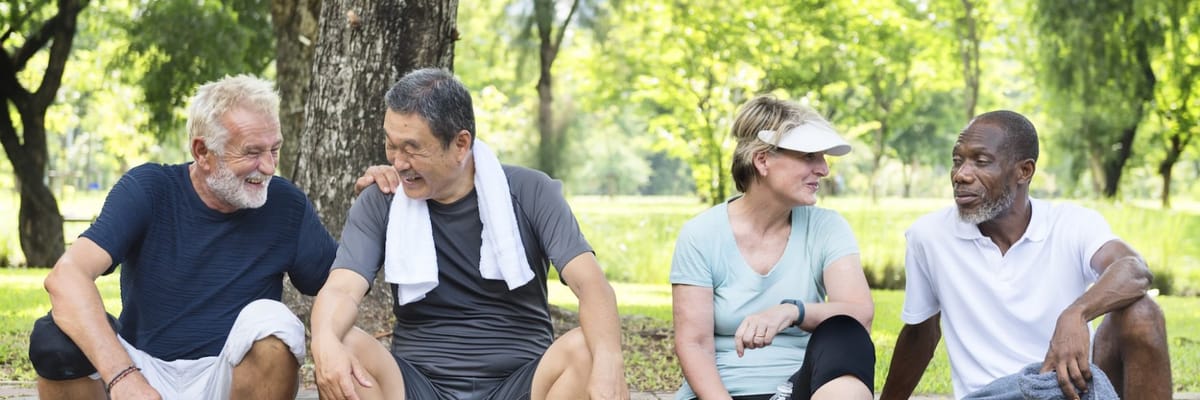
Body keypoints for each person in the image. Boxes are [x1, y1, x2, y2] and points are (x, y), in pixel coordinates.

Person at [309, 68, 628, 400]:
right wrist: (324, 342)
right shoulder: (382, 201)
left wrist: (609, 363)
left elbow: (591, 285)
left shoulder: (531, 192)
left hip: (521, 384)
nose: (399, 162)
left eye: (412, 148)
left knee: (588, 350)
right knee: (340, 341)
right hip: (416, 386)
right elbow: (342, 290)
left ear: (461, 144)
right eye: (391, 146)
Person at [27, 75, 338, 400]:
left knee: (276, 323)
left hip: (227, 375)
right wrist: (124, 378)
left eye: (275, 149)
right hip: (143, 370)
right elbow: (66, 277)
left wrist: (382, 201)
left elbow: (342, 282)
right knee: (54, 339)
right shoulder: (149, 188)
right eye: (252, 152)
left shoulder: (286, 204)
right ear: (202, 152)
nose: (270, 166)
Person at [879, 110, 1172, 400]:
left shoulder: (1072, 223)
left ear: (1024, 171)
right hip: (990, 395)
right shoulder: (928, 236)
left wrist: (1076, 314)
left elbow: (1133, 268)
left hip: (1069, 390)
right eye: (957, 161)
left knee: (1142, 313)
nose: (961, 175)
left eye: (981, 162)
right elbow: (920, 336)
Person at [671, 95, 876, 400]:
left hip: (802, 390)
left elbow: (861, 314)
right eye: (809, 156)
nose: (824, 169)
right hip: (723, 394)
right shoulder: (701, 235)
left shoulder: (827, 228)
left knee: (844, 330)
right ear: (762, 160)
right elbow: (694, 343)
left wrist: (791, 311)